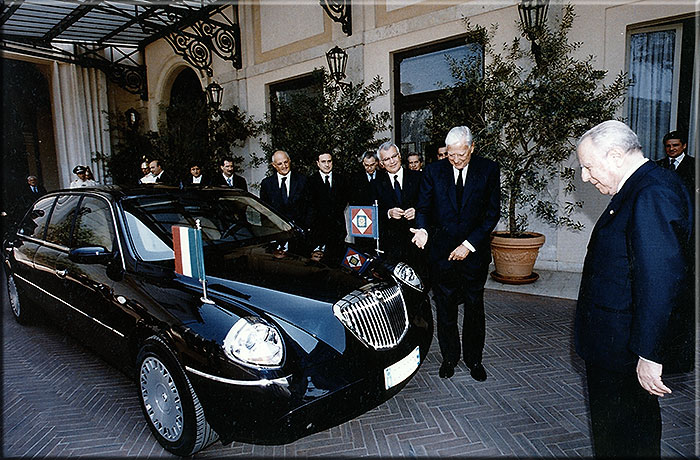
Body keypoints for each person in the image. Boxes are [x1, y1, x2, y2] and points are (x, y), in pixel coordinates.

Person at [574, 120, 693, 458]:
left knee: (628, 439)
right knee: (618, 435)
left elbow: (660, 279)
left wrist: (650, 353)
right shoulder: (641, 186)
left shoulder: (652, 192)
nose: (585, 177)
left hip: (625, 351)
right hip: (615, 347)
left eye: (588, 166)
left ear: (614, 156)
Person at [411, 126, 500, 381]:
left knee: (474, 309)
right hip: (442, 256)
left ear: (472, 148)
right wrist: (423, 230)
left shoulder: (488, 170)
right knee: (446, 309)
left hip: (474, 254)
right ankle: (449, 358)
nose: (456, 160)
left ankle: (474, 360)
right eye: (451, 155)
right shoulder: (432, 171)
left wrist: (468, 245)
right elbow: (424, 208)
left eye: (461, 154)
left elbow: (491, 213)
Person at [373, 142, 422, 265]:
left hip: (417, 243)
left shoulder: (418, 178)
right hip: (391, 247)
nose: (392, 161)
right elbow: (372, 213)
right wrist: (389, 213)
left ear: (400, 156)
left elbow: (430, 204)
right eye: (387, 159)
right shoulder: (375, 184)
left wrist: (417, 211)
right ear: (381, 164)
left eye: (394, 156)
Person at [307, 152, 348, 261]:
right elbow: (310, 207)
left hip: (337, 232)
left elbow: (342, 204)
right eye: (323, 162)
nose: (327, 164)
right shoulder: (310, 181)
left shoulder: (341, 180)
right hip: (318, 233)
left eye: (329, 161)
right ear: (317, 163)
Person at [259, 150, 310, 230]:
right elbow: (264, 210)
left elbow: (309, 206)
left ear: (289, 161)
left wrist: (305, 227)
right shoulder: (267, 184)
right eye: (279, 164)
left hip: (299, 231)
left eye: (285, 162)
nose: (284, 166)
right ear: (274, 165)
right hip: (276, 231)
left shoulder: (302, 180)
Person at [655, 130, 694, 195]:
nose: (671, 149)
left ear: (684, 146)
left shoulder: (694, 165)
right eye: (668, 146)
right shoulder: (657, 165)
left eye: (675, 145)